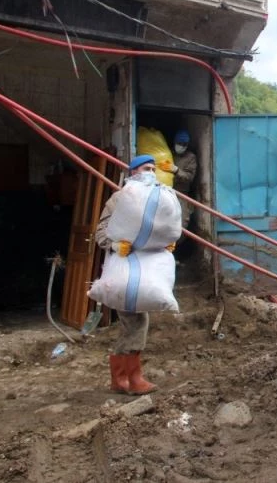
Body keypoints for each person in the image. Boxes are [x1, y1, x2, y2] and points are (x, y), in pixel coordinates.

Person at [96, 154, 162, 395]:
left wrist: (164, 244)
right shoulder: (118, 200)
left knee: (132, 323)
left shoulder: (153, 200)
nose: (151, 173)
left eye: (153, 169)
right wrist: (114, 245)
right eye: (146, 168)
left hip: (143, 270)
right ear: (134, 172)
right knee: (135, 321)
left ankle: (120, 379)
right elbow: (101, 233)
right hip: (123, 271)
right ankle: (133, 380)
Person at [158, 129, 198, 230]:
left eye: (184, 144)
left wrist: (176, 170)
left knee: (182, 222)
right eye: (179, 143)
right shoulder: (168, 153)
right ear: (174, 142)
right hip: (165, 191)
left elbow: (189, 178)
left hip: (181, 194)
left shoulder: (191, 158)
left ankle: (177, 244)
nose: (181, 146)